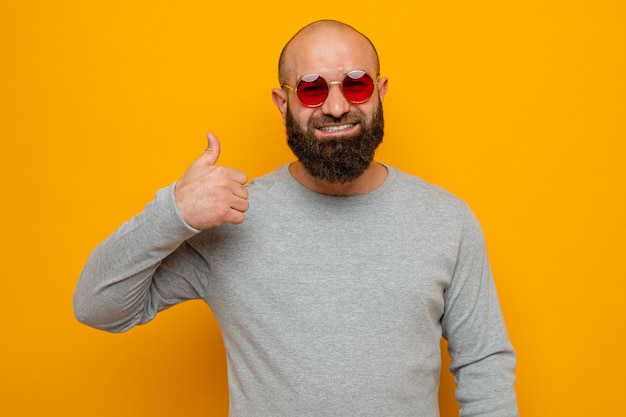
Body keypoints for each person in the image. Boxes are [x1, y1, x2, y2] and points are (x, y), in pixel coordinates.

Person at [74, 19, 519, 417]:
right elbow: (98, 307)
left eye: (357, 85)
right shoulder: (231, 219)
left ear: (380, 94)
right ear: (282, 103)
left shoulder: (445, 220)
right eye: (312, 89)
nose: (337, 107)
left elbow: (484, 367)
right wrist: (174, 213)